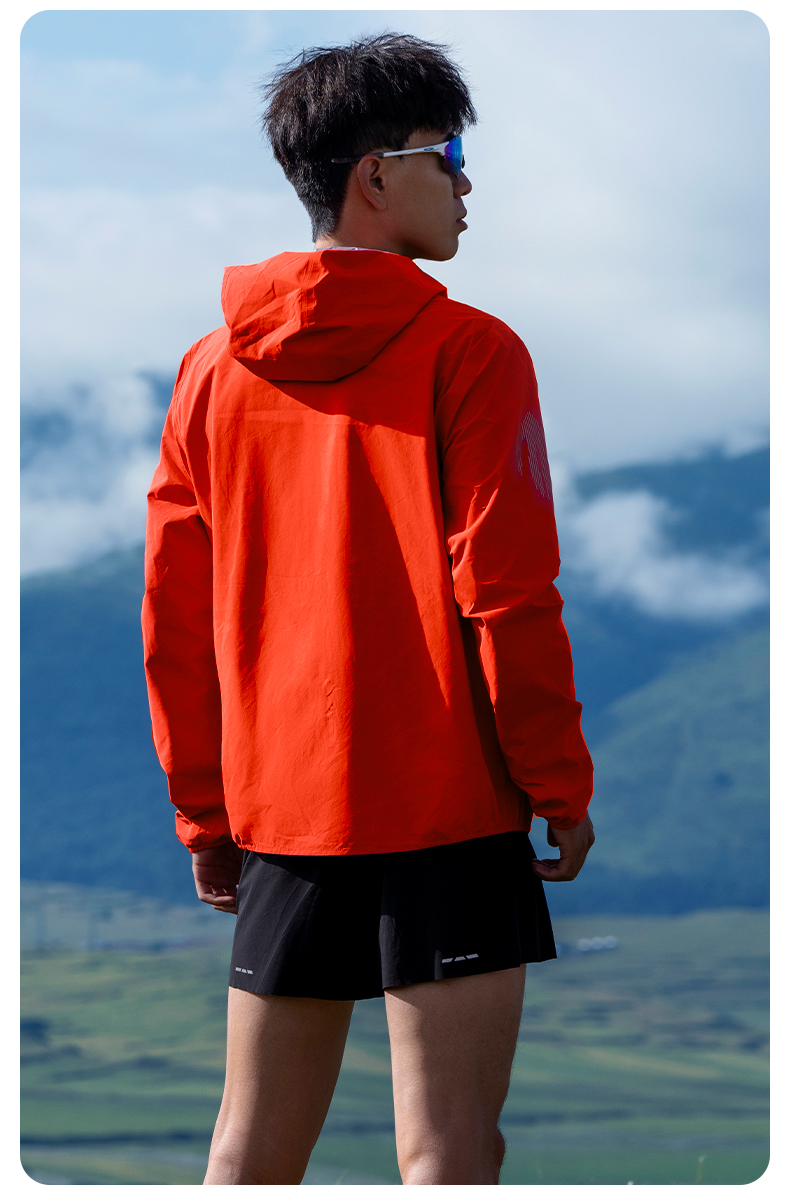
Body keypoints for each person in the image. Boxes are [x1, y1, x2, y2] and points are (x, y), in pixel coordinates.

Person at [142, 32, 594, 1186]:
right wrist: (556, 782)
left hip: (282, 816)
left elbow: (175, 619)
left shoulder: (208, 370)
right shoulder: (472, 351)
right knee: (449, 1151)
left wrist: (206, 815)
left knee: (250, 1154)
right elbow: (506, 592)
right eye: (452, 155)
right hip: (450, 809)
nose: (468, 184)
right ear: (376, 174)